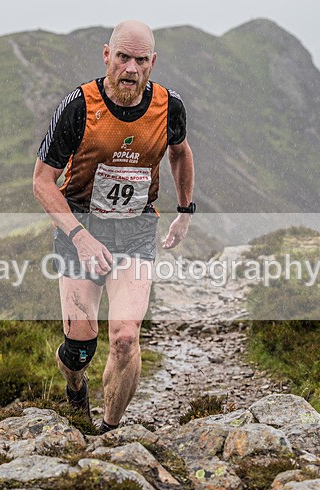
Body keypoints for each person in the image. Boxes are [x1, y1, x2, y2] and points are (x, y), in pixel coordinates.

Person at [33, 20, 195, 433]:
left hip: (136, 232)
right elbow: (41, 181)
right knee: (80, 348)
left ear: (152, 63)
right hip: (80, 230)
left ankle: (108, 431)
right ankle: (75, 388)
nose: (130, 69)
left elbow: (180, 153)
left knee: (125, 338)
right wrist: (80, 236)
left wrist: (184, 210)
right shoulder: (80, 106)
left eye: (141, 60)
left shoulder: (167, 106)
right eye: (123, 57)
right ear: (107, 55)